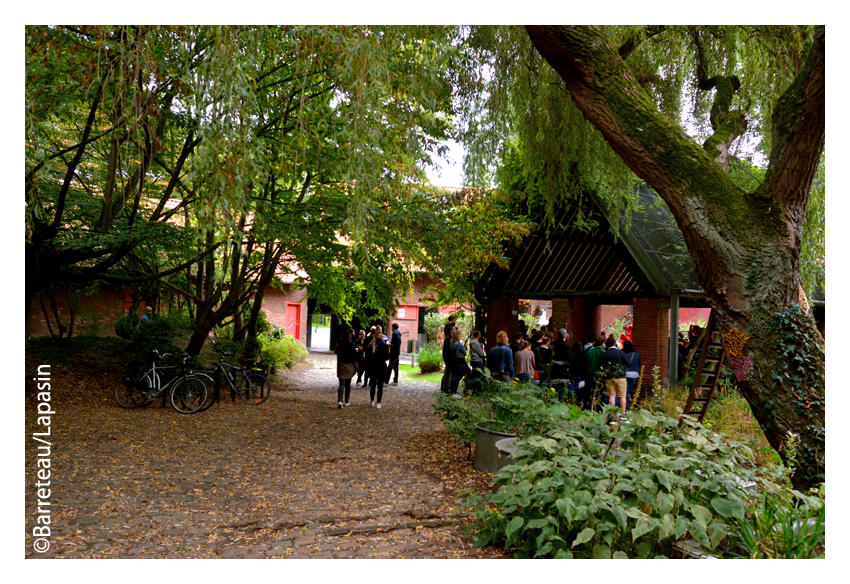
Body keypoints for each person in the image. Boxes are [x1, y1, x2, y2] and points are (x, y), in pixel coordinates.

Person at [602, 336, 628, 412]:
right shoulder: (621, 352)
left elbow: (603, 365)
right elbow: (627, 363)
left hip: (609, 376)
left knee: (611, 395)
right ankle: (623, 413)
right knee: (622, 396)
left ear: (607, 345)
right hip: (621, 376)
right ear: (614, 343)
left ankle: (612, 413)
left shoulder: (605, 354)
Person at [334, 328, 357, 408]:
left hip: (341, 366)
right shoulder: (351, 344)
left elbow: (336, 352)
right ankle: (346, 401)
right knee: (348, 385)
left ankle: (340, 401)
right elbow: (354, 356)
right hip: (349, 366)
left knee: (341, 384)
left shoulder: (338, 345)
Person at [366, 327, 389, 409]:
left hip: (373, 367)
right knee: (380, 386)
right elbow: (386, 358)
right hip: (381, 367)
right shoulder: (384, 346)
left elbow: (367, 357)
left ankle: (372, 400)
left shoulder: (371, 346)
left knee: (372, 385)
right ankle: (378, 402)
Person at [583, 335, 606, 409]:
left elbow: (586, 363)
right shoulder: (603, 352)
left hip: (589, 375)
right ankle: (599, 407)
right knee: (599, 393)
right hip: (599, 376)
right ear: (603, 342)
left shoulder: (590, 352)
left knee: (588, 392)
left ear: (595, 342)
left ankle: (588, 406)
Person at [550, 329, 573, 400]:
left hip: (554, 370)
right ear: (565, 336)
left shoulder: (553, 345)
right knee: (562, 390)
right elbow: (570, 360)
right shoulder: (566, 346)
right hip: (563, 371)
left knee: (554, 389)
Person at [449, 328, 467, 397]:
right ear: (457, 336)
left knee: (454, 376)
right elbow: (464, 353)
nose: (460, 337)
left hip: (453, 362)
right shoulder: (459, 344)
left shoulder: (451, 344)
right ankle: (454, 393)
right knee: (458, 377)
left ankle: (453, 392)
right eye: (459, 336)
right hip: (459, 363)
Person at [622, 340, 641, 408]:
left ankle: (625, 407)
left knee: (625, 393)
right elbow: (638, 363)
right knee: (629, 392)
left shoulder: (624, 355)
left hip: (626, 374)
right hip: (635, 375)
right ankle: (628, 405)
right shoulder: (636, 354)